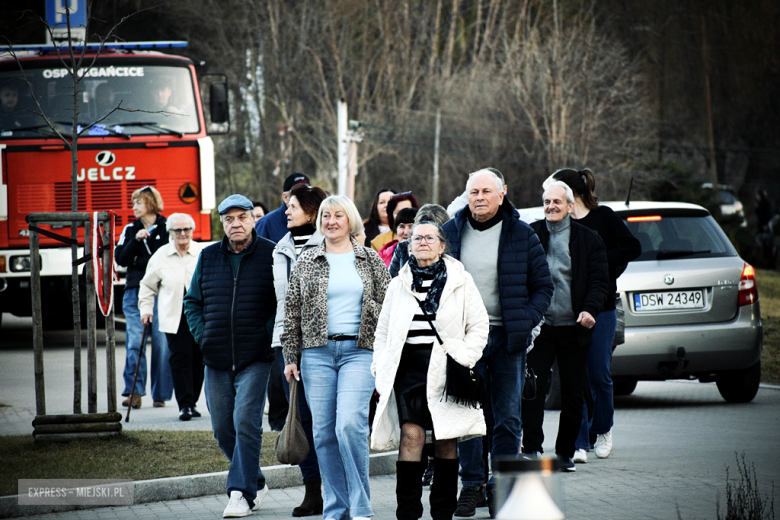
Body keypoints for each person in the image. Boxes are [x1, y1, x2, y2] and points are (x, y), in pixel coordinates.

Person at [441, 168, 553, 518]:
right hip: (464, 340)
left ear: (502, 193)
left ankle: (501, 487)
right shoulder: (450, 233)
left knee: (506, 417)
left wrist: (526, 320)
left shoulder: (522, 234)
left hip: (507, 339)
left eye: (486, 191)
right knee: (468, 416)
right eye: (473, 192)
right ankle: (472, 485)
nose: (479, 198)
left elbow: (543, 287)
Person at [282, 195, 391, 520]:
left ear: (350, 220)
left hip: (359, 353)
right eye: (326, 216)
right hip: (317, 354)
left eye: (338, 215)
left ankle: (360, 506)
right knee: (324, 433)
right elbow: (291, 310)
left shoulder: (369, 259)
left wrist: (382, 345)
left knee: (349, 426)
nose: (331, 221)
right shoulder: (307, 259)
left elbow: (388, 306)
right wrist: (291, 355)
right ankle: (336, 507)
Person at [372, 221, 490, 520]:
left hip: (447, 367)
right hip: (408, 368)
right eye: (416, 238)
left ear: (441, 245)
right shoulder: (399, 283)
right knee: (411, 434)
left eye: (429, 237)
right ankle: (408, 513)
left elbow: (479, 326)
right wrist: (380, 364)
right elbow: (383, 331)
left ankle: (442, 512)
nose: (422, 242)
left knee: (445, 436)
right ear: (409, 245)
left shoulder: (461, 280)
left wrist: (463, 357)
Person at [183, 194, 277, 518]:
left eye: (241, 217)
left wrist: (266, 336)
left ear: (253, 219)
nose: (235, 224)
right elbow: (192, 302)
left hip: (256, 357)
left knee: (245, 422)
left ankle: (240, 493)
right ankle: (257, 480)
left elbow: (282, 303)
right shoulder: (208, 256)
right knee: (223, 427)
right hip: (216, 357)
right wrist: (202, 336)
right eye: (228, 219)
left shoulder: (271, 254)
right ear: (221, 223)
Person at [545, 168, 641, 463]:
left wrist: (599, 260)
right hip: (567, 314)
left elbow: (632, 246)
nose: (552, 203)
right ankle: (579, 440)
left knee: (599, 374)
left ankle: (603, 429)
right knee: (576, 379)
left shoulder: (604, 217)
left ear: (570, 195)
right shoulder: (556, 225)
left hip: (602, 308)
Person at [522, 181, 609, 472]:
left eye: (557, 202)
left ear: (570, 206)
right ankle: (532, 448)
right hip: (539, 329)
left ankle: (565, 453)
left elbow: (599, 281)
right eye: (547, 202)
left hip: (575, 328)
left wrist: (590, 309)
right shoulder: (530, 234)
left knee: (574, 393)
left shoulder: (589, 239)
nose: (551, 207)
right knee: (532, 390)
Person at [272, 183, 328, 517]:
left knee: (326, 419)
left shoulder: (332, 243)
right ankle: (313, 491)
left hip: (324, 343)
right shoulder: (280, 248)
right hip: (287, 343)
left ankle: (336, 485)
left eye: (292, 206)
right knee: (300, 418)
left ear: (310, 209)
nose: (287, 211)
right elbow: (279, 301)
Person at [138, 213, 204, 421]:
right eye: (178, 230)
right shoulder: (160, 256)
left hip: (201, 317)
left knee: (199, 360)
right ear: (170, 233)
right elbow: (147, 286)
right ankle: (184, 405)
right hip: (173, 318)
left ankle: (192, 401)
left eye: (186, 230)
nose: (183, 234)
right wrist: (146, 309)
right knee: (180, 358)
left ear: (192, 231)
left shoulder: (202, 253)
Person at [115, 186, 173, 409]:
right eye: (133, 203)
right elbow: (121, 259)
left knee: (162, 344)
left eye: (138, 203)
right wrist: (136, 242)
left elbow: (165, 259)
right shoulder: (130, 229)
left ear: (150, 203)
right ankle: (134, 392)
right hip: (134, 292)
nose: (134, 207)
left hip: (162, 292)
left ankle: (161, 394)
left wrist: (139, 261)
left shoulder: (168, 227)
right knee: (134, 342)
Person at [389, 204, 451, 278]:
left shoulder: (455, 246)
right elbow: (390, 282)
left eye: (430, 237)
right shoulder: (403, 248)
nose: (424, 242)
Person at [256, 172, 311, 243]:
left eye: (308, 191)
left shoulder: (317, 219)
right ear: (285, 197)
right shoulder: (266, 223)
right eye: (298, 193)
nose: (304, 196)